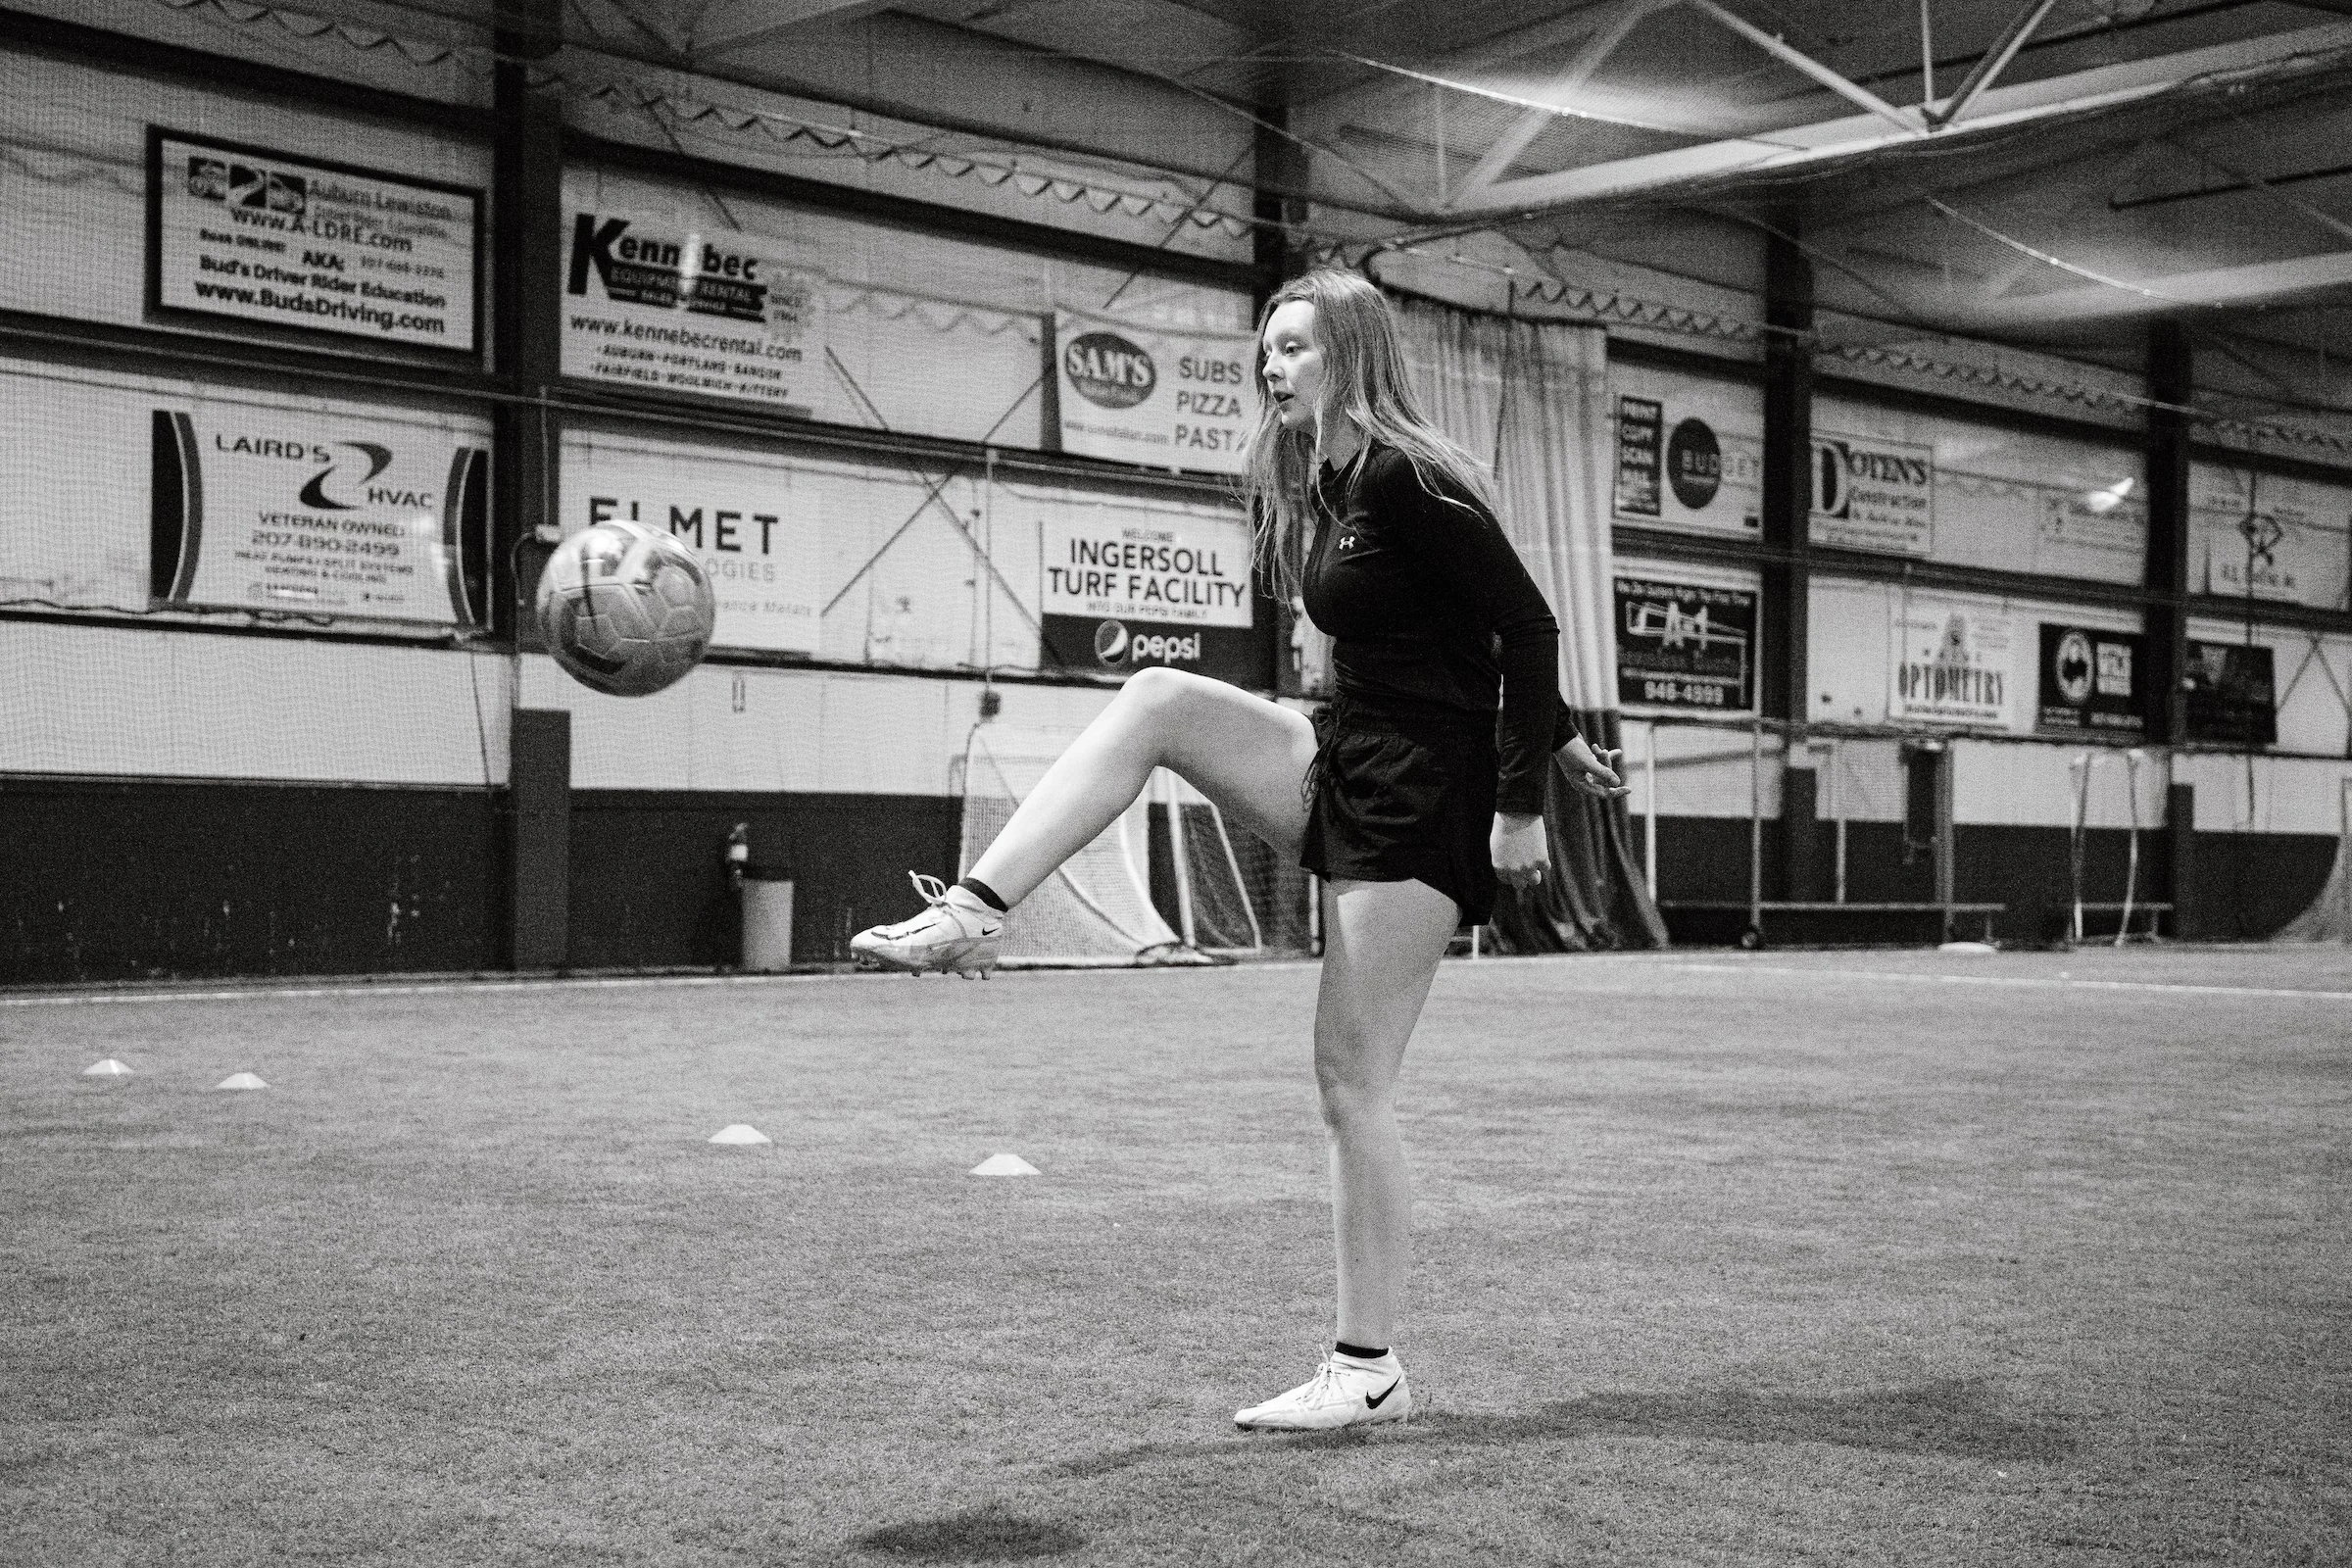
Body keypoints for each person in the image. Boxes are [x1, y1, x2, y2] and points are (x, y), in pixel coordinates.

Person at [852, 270, 1630, 1431]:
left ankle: (1367, 1369)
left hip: (1421, 794)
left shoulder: (1412, 477)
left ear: (1352, 354)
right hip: (1346, 747)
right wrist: (1557, 731)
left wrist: (1524, 791)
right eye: (1267, 350)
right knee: (1158, 697)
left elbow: (1523, 623)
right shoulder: (1328, 478)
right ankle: (974, 908)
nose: (1275, 368)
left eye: (1297, 348)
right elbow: (1454, 637)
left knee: (1351, 1086)